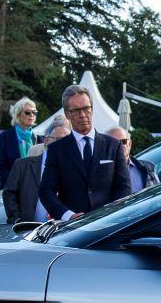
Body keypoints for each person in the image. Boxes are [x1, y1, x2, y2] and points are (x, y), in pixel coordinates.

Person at [38, 85, 130, 220]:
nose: (82, 115)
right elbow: (46, 191)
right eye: (75, 110)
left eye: (86, 108)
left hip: (109, 225)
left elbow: (124, 187)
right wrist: (67, 216)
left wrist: (110, 214)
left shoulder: (113, 145)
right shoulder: (57, 150)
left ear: (92, 109)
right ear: (67, 114)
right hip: (72, 229)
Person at [4, 117, 67, 224]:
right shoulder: (22, 166)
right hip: (28, 230)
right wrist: (17, 220)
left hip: (63, 232)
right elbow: (9, 193)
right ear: (46, 140)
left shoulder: (74, 168)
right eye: (59, 139)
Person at [0, 97, 39, 192]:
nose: (32, 115)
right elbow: (1, 167)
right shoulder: (5, 137)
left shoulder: (38, 138)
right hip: (12, 188)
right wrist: (14, 185)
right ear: (18, 115)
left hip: (34, 189)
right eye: (28, 112)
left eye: (34, 112)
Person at [109, 126, 155, 194]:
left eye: (123, 141)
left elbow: (159, 195)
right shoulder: (99, 171)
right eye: (114, 142)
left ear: (129, 144)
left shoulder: (147, 168)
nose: (119, 146)